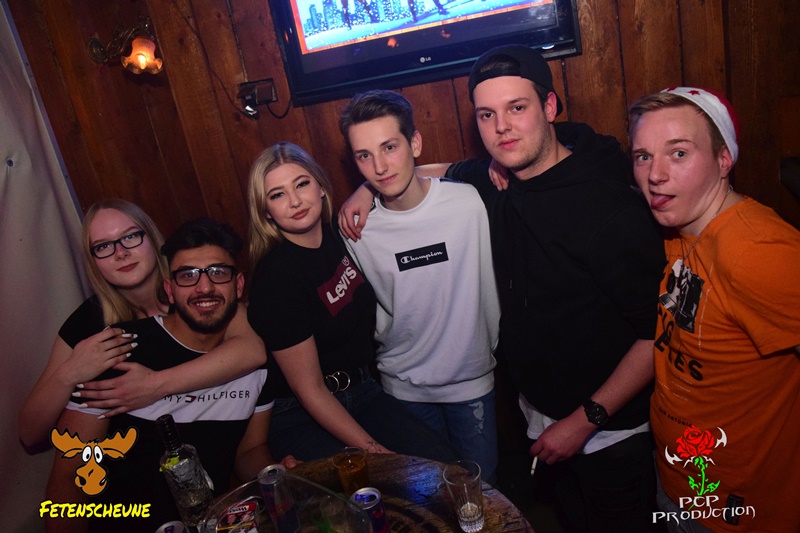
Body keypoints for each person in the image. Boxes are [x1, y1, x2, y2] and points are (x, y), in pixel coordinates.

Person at [340, 45, 665, 532]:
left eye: (517, 108)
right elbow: (424, 171)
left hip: (607, 434)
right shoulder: (493, 183)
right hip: (541, 421)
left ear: (549, 106)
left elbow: (654, 333)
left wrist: (584, 421)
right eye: (487, 115)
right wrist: (367, 187)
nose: (502, 127)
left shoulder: (610, 208)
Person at [629, 87, 800, 532]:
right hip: (679, 479)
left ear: (724, 160)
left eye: (679, 153)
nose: (655, 175)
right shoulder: (682, 228)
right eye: (643, 156)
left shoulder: (758, 251)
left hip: (738, 510)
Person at [45, 218, 275, 532]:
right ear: (169, 290)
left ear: (238, 285)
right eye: (187, 275)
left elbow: (249, 451)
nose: (204, 287)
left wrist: (277, 474)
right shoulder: (118, 350)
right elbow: (68, 476)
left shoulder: (253, 362)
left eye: (218, 273)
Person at [245, 142, 459, 463]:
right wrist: (375, 452)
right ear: (265, 211)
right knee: (381, 481)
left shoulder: (338, 235)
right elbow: (310, 389)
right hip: (303, 413)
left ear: (320, 187)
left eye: (302, 184)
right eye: (277, 195)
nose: (295, 201)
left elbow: (407, 177)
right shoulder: (276, 277)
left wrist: (367, 188)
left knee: (443, 464)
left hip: (363, 392)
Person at [337, 90, 500, 483]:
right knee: (426, 500)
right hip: (403, 387)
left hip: (471, 380)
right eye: (364, 156)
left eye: (389, 147)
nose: (379, 166)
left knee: (484, 494)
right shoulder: (357, 229)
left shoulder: (469, 202)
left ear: (415, 143)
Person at [19, 199, 266, 454]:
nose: (120, 253)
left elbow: (253, 351)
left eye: (130, 237)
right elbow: (29, 433)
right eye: (103, 246)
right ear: (93, 262)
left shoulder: (194, 293)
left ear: (153, 239)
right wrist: (70, 372)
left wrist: (153, 385)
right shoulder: (89, 320)